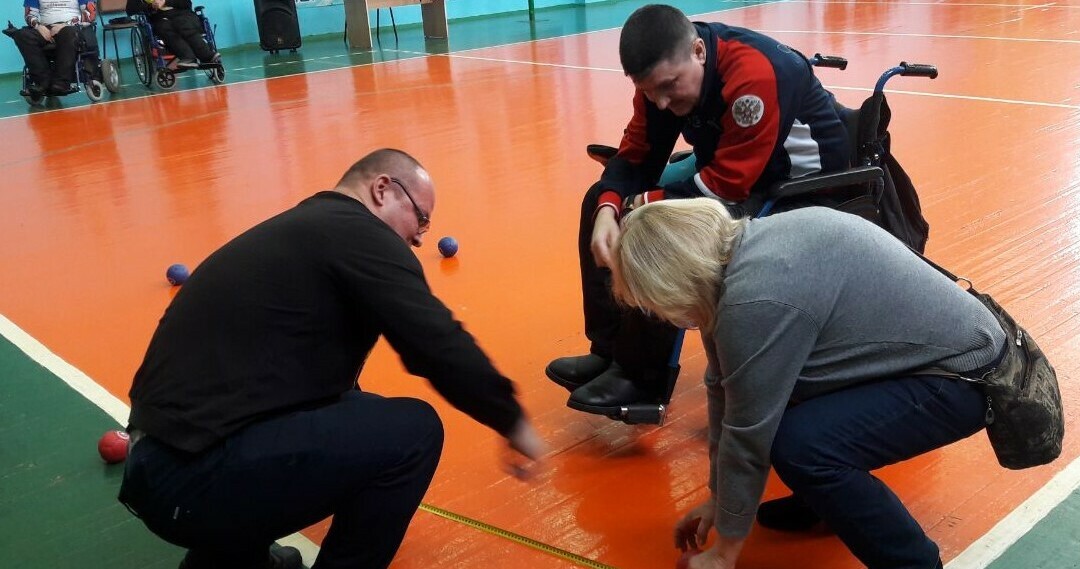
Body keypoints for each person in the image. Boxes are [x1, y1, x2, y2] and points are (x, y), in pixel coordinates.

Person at [118, 148, 548, 569]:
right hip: (189, 481)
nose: (420, 238)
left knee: (352, 408)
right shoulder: (360, 234)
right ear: (383, 189)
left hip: (157, 465)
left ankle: (229, 558)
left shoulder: (306, 229)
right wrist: (510, 418)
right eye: (421, 218)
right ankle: (228, 544)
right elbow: (435, 342)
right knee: (413, 433)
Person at [610, 199, 1007, 569]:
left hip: (965, 378)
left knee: (802, 447)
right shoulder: (742, 253)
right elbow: (724, 388)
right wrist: (720, 498)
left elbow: (747, 431)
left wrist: (724, 553)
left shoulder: (752, 301)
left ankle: (914, 563)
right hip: (942, 355)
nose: (660, 314)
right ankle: (824, 502)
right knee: (781, 392)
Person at [545, 4, 851, 416]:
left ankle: (641, 377)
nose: (660, 102)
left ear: (699, 52)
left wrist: (638, 205)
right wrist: (608, 207)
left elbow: (726, 186)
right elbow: (636, 155)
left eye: (668, 87)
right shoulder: (662, 77)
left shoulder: (754, 75)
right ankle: (609, 349)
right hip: (738, 167)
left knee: (665, 226)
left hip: (797, 186)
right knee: (599, 198)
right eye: (649, 91)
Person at [4, 0, 96, 96]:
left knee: (68, 33)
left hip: (71, 27)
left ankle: (61, 84)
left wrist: (66, 25)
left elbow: (90, 14)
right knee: (22, 35)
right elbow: (29, 15)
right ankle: (42, 83)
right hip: (45, 28)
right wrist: (38, 26)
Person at [126, 0, 218, 69]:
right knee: (165, 28)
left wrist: (166, 1)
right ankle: (188, 57)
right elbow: (130, 10)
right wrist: (150, 6)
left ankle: (206, 55)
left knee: (182, 24)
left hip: (184, 14)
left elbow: (187, 3)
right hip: (160, 18)